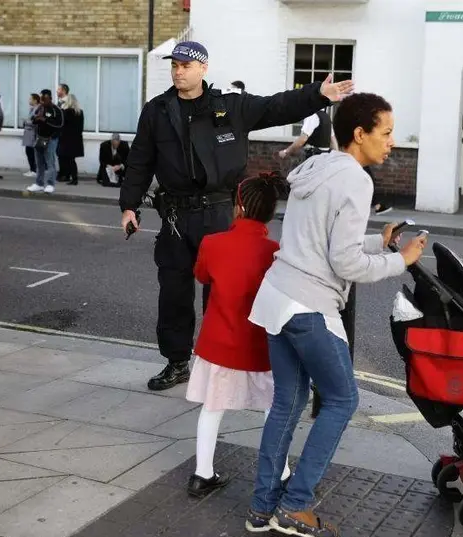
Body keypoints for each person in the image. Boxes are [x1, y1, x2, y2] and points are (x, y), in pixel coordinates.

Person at [119, 40, 354, 392]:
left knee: (222, 293)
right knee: (173, 292)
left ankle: (222, 362)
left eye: (185, 65)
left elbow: (276, 106)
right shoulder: (157, 111)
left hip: (217, 213)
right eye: (175, 65)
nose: (178, 70)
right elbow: (139, 161)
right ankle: (177, 361)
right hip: (175, 216)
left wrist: (317, 94)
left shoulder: (229, 108)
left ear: (203, 68)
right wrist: (129, 206)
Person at [245, 93, 426, 537]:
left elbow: (319, 238)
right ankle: (295, 505)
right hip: (309, 305)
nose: (391, 143)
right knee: (343, 400)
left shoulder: (317, 168)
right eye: (385, 133)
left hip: (277, 296)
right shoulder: (357, 182)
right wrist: (400, 262)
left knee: (286, 403)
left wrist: (377, 242)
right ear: (360, 134)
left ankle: (262, 506)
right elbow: (344, 265)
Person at [186, 172, 292, 498]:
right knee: (273, 410)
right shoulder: (274, 251)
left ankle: (202, 474)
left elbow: (202, 275)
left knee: (212, 408)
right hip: (260, 346)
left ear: (238, 206)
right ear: (271, 212)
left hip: (218, 343)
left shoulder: (212, 243)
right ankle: (282, 472)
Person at [27, 89, 63, 194]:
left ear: (49, 97)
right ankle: (39, 183)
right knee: (39, 161)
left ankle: (50, 184)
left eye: (44, 98)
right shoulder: (40, 108)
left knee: (50, 161)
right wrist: (36, 118)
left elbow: (59, 124)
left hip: (51, 139)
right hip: (40, 138)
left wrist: (45, 120)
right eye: (41, 98)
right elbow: (32, 120)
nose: (42, 101)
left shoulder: (56, 109)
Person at [57, 93, 84, 185]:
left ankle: (72, 178)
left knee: (67, 159)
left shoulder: (67, 112)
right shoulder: (80, 112)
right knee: (71, 159)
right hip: (76, 139)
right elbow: (80, 128)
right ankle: (73, 177)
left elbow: (62, 125)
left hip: (66, 139)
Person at [22, 93, 41, 178]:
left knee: (31, 152)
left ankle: (34, 170)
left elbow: (35, 121)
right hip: (29, 133)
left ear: (35, 100)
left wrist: (26, 121)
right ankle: (32, 169)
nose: (29, 100)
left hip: (33, 134)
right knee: (29, 151)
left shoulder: (38, 109)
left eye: (30, 99)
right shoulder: (32, 109)